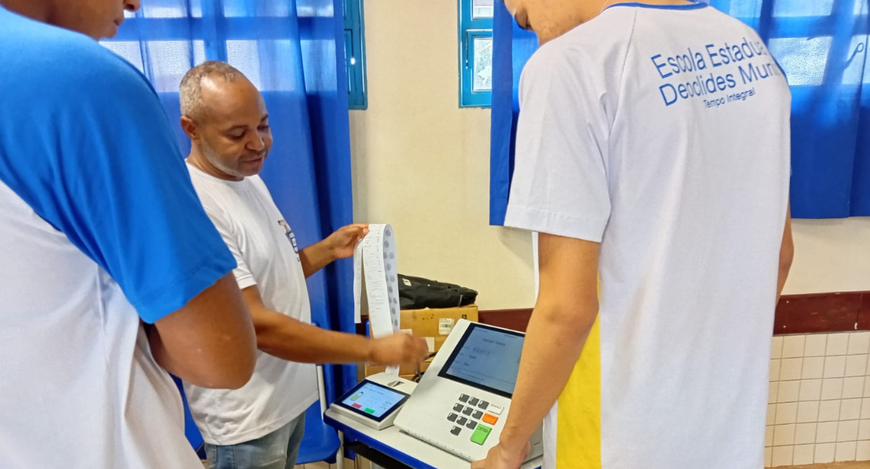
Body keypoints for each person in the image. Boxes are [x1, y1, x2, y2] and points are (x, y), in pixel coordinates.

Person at [473, 1, 794, 468]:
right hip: (727, 428)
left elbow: (567, 309)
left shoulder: (570, 65)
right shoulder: (753, 53)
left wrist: (509, 447)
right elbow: (779, 255)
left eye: (521, 13)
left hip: (619, 435)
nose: (527, 24)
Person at [0, 1, 260, 468]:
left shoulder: (254, 188)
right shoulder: (78, 81)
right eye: (239, 131)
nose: (135, 3)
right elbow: (221, 355)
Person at [177, 61, 430, 469]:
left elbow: (267, 277)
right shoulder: (197, 204)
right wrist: (371, 348)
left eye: (263, 125)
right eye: (237, 134)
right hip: (248, 420)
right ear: (192, 129)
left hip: (285, 401)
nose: (258, 144)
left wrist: (326, 251)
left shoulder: (245, 179)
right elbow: (256, 324)